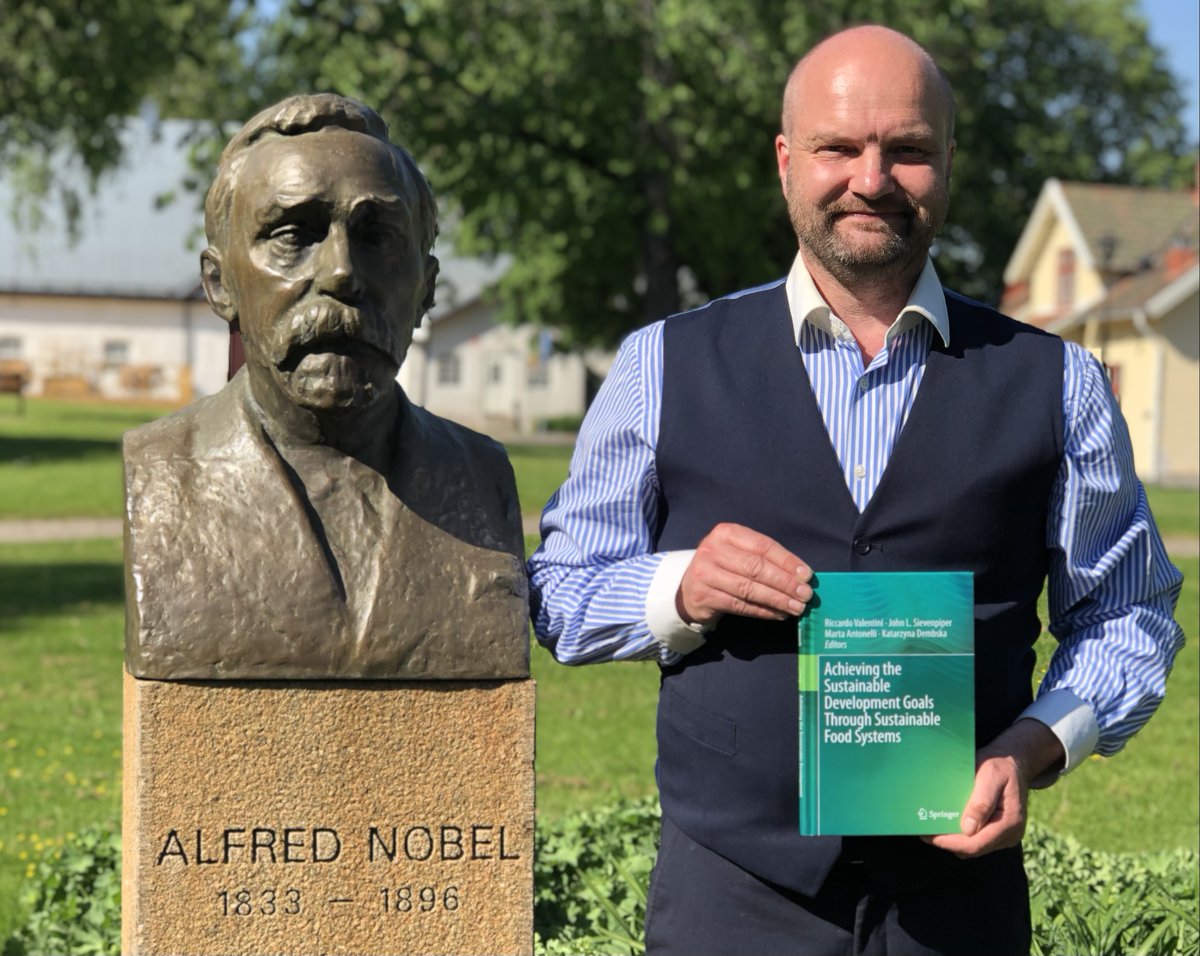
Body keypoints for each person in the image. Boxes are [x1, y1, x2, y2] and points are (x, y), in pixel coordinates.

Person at [528, 25, 1183, 956]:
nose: (871, 179)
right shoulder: (662, 365)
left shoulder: (1059, 383)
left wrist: (1033, 745)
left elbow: (1129, 613)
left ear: (948, 164)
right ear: (788, 162)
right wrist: (678, 588)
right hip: (732, 893)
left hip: (956, 902)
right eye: (839, 147)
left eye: (907, 150)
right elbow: (556, 590)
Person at [124, 93, 527, 681]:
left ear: (426, 288)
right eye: (293, 234)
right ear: (219, 285)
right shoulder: (161, 474)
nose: (341, 272)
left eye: (378, 236)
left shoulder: (480, 480)